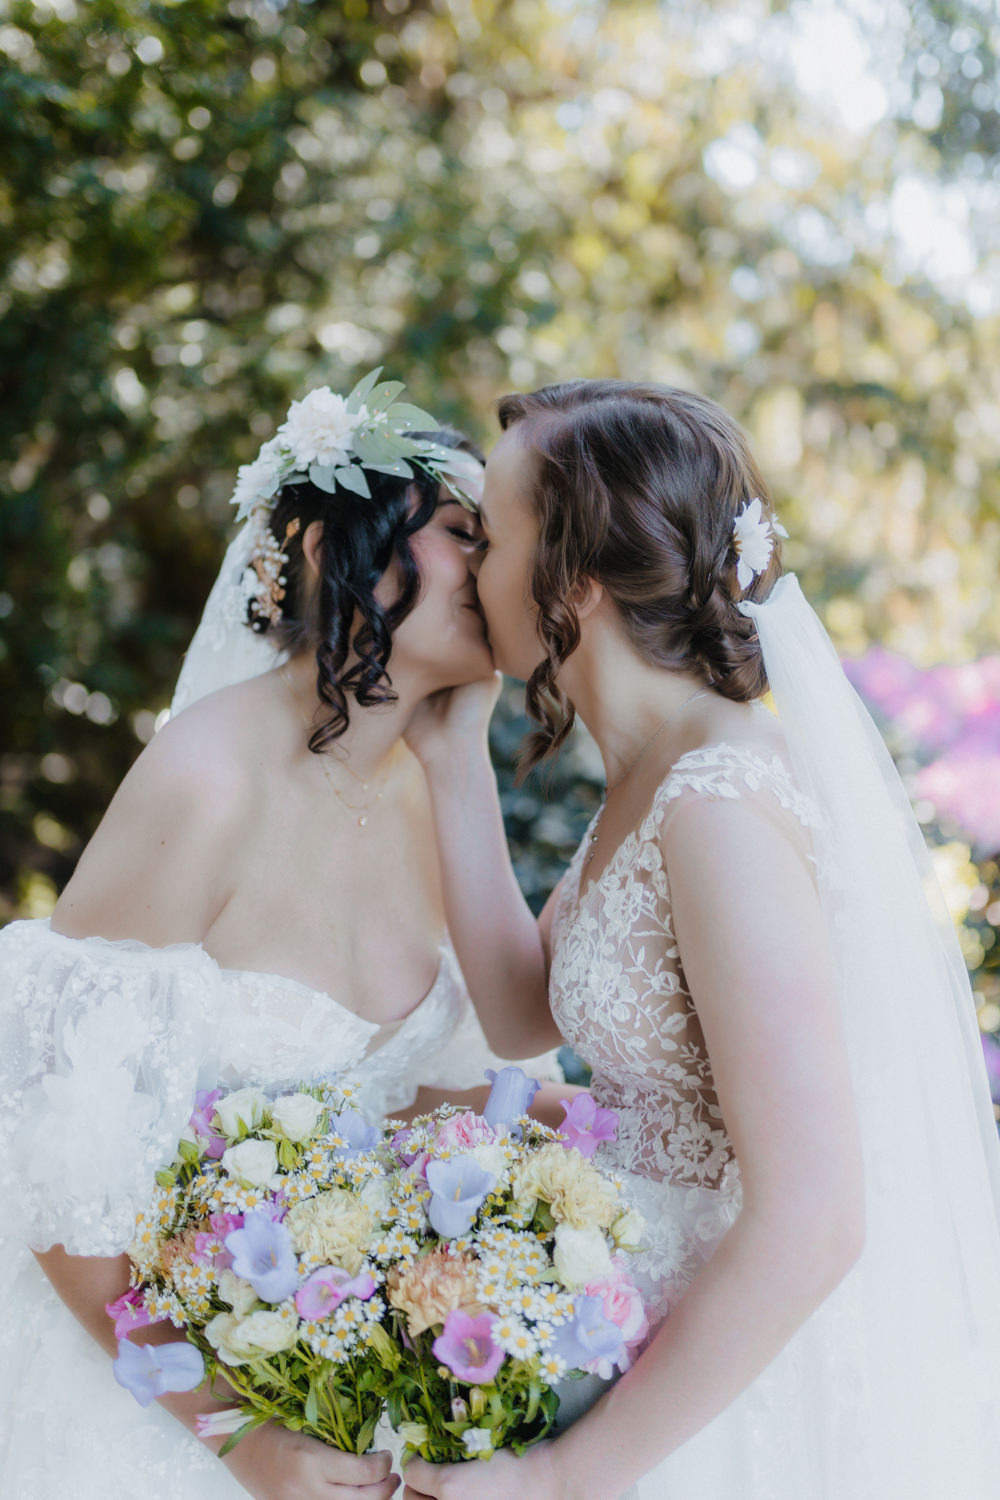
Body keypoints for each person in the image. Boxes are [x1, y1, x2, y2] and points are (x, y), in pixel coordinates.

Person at [402, 379, 1000, 1500]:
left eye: (490, 534)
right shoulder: (648, 775)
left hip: (711, 1405)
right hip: (624, 1330)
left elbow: (815, 1218)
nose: (467, 566)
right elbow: (525, 1012)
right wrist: (451, 765)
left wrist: (564, 1480)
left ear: (570, 576)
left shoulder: (717, 802)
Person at [0, 374, 563, 1500]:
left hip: (351, 1405)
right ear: (323, 544)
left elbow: (432, 1092)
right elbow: (59, 1182)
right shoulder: (205, 784)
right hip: (153, 1403)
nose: (504, 567)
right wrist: (235, 1438)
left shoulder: (439, 779)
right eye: (464, 534)